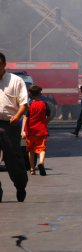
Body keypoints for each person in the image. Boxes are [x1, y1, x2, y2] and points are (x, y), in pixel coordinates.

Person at [0, 52, 28, 202]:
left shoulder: (16, 81)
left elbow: (24, 104)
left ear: (4, 65)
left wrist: (17, 117)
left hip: (10, 124)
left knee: (13, 159)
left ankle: (20, 185)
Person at [21, 85, 51, 176]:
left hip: (30, 131)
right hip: (41, 131)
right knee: (42, 149)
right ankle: (41, 162)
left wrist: (23, 131)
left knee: (31, 150)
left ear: (30, 94)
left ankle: (32, 169)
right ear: (40, 94)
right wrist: (45, 123)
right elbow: (49, 116)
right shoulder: (44, 104)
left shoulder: (29, 105)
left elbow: (25, 118)